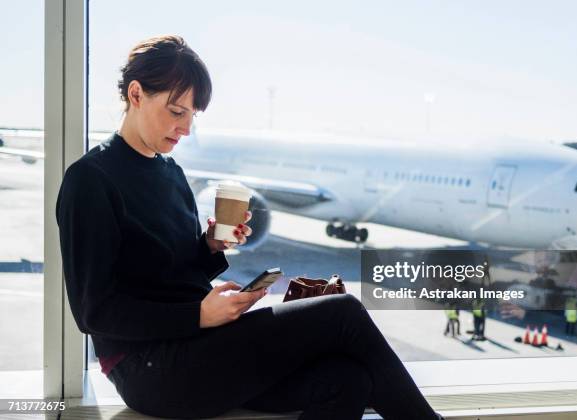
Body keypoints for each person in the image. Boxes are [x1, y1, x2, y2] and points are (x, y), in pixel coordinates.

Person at [55, 35, 444, 420]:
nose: (186, 128)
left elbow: (174, 273)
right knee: (342, 312)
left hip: (199, 343)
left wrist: (210, 245)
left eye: (192, 115)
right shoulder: (90, 180)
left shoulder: (170, 172)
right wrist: (198, 315)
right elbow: (94, 313)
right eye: (176, 112)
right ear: (136, 95)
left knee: (348, 379)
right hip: (149, 368)